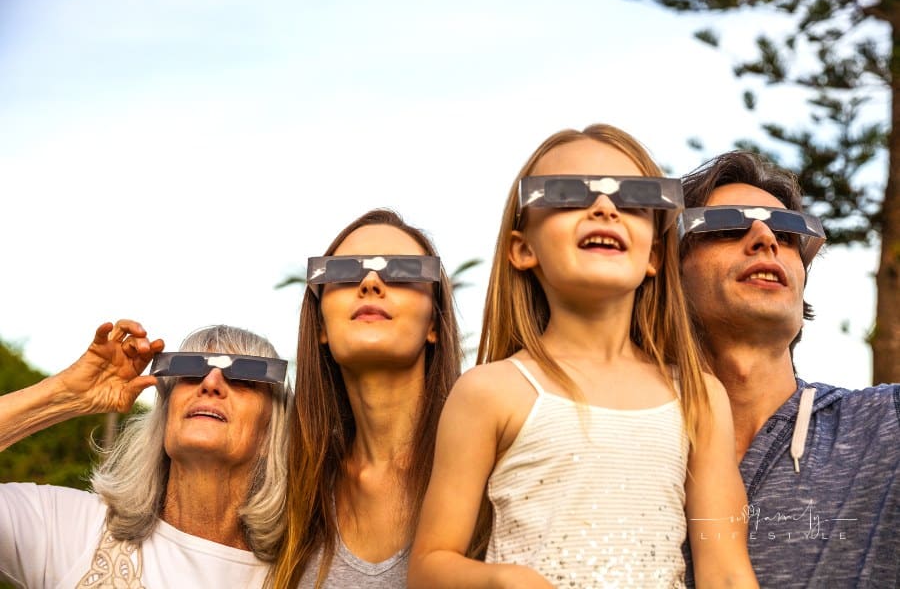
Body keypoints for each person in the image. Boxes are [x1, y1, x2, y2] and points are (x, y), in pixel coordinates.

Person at [408, 124, 757, 588]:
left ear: (654, 253)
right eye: (567, 194)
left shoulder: (699, 396)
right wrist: (502, 581)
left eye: (634, 199)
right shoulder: (488, 392)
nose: (604, 208)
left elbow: (727, 572)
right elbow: (429, 567)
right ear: (522, 249)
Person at [678, 150, 900, 587]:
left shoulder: (889, 422)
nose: (766, 238)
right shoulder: (617, 445)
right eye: (728, 225)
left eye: (788, 230)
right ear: (666, 271)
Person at [0, 320, 291, 588]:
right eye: (191, 371)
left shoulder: (305, 571)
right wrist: (65, 397)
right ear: (164, 418)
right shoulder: (70, 529)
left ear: (270, 434)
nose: (210, 383)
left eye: (242, 377)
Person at [270, 209, 462, 588]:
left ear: (435, 325)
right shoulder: (288, 487)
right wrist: (115, 408)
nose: (371, 282)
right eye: (344, 272)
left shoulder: (491, 465)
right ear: (321, 325)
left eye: (404, 271)